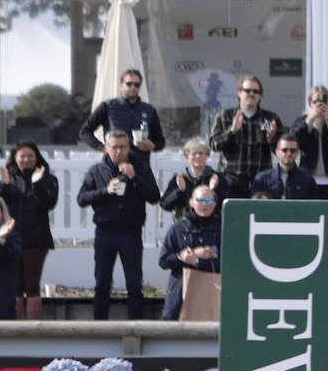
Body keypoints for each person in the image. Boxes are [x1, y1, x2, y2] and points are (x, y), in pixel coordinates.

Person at [78, 130, 161, 320]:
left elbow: (154, 197)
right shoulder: (97, 170)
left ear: (129, 147)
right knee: (102, 283)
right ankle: (100, 327)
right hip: (105, 232)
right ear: (107, 148)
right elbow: (82, 199)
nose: (118, 151)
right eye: (114, 147)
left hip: (131, 233)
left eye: (123, 147)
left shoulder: (140, 168)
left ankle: (136, 327)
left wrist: (135, 177)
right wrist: (105, 191)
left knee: (134, 284)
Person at [0, 143, 56, 320]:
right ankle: (15, 326)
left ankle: (33, 326)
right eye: (22, 156)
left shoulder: (48, 179)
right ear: (15, 158)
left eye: (30, 156)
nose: (26, 159)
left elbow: (48, 203)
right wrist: (3, 185)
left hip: (37, 239)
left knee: (32, 285)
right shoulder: (10, 178)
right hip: (13, 238)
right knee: (15, 286)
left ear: (37, 157)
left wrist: (36, 184)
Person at [208, 76, 284, 198]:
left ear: (260, 96)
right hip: (231, 179)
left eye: (256, 91)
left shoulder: (271, 118)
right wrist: (232, 130)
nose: (252, 94)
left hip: (261, 180)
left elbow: (283, 152)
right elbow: (213, 145)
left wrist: (271, 139)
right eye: (247, 90)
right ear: (239, 93)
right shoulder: (224, 116)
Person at [157, 187, 221, 321]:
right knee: (171, 325)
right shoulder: (178, 228)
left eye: (209, 201)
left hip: (211, 288)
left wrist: (197, 261)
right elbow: (164, 260)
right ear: (191, 202)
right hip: (180, 289)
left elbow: (227, 262)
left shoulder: (221, 228)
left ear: (215, 204)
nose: (205, 205)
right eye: (200, 200)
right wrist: (183, 257)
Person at [83, 68, 162, 170]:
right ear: (121, 85)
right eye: (129, 84)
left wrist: (153, 146)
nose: (133, 87)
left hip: (141, 167)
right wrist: (103, 148)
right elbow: (85, 132)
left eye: (137, 85)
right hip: (113, 166)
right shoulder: (107, 107)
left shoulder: (149, 110)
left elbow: (160, 141)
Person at [290, 84, 328, 196]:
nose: (320, 105)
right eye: (316, 102)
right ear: (310, 103)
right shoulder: (302, 122)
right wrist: (310, 120)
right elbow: (294, 140)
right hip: (309, 178)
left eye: (324, 100)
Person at [160, 138, 223, 222]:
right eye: (194, 153)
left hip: (211, 224)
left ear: (206, 156)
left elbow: (224, 205)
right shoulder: (180, 178)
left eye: (201, 153)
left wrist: (212, 190)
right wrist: (180, 191)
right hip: (185, 224)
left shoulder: (216, 178)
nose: (197, 156)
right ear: (187, 156)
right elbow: (165, 205)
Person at [251, 136, 319, 200]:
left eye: (293, 150)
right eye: (284, 150)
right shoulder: (262, 179)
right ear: (277, 152)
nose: (288, 153)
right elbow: (255, 205)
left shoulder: (308, 180)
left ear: (298, 153)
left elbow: (313, 206)